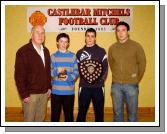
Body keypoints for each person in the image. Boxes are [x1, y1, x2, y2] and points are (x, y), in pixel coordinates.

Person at [108, 21, 146, 122]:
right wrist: (117, 76)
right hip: (116, 86)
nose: (120, 33)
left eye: (123, 30)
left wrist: (136, 78)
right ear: (116, 33)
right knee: (117, 114)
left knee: (132, 115)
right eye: (118, 31)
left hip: (131, 85)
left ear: (127, 32)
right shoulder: (112, 48)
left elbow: (142, 64)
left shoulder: (136, 46)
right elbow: (111, 64)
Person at [14, 25, 51, 122]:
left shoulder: (46, 51)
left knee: (40, 120)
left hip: (44, 94)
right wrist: (24, 94)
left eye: (42, 33)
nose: (40, 35)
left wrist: (49, 87)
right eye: (37, 32)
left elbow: (47, 71)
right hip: (30, 95)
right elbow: (19, 76)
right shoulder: (23, 52)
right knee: (29, 122)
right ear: (31, 35)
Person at [76, 28, 108, 122]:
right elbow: (77, 70)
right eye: (88, 36)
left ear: (95, 38)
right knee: (81, 112)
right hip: (84, 86)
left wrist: (99, 80)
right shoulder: (79, 53)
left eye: (92, 36)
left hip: (98, 87)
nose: (90, 38)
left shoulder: (101, 51)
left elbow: (105, 68)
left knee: (99, 112)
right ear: (85, 37)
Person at [51, 33, 79, 122]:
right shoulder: (53, 57)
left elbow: (76, 72)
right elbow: (49, 72)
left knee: (69, 117)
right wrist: (56, 71)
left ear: (68, 43)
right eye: (61, 41)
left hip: (69, 92)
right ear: (57, 43)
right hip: (56, 92)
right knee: (55, 117)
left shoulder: (72, 56)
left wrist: (68, 77)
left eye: (66, 42)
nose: (63, 44)